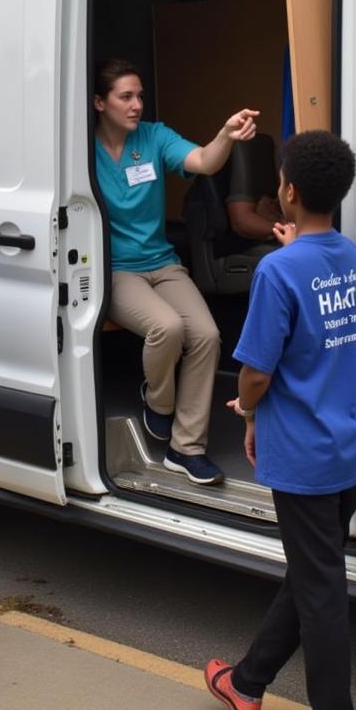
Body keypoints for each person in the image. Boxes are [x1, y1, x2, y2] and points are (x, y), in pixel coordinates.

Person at [203, 131, 356, 710]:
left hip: (304, 456)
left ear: (289, 191)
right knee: (313, 573)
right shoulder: (350, 256)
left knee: (321, 590)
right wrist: (295, 250)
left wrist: (246, 410)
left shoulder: (277, 271)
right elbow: (322, 302)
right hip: (351, 447)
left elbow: (256, 372)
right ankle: (246, 685)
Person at [94, 58, 259, 486]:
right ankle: (158, 400)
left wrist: (225, 134)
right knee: (166, 328)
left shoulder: (153, 137)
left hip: (162, 261)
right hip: (117, 268)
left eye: (140, 96)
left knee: (207, 335)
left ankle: (186, 449)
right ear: (100, 102)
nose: (136, 105)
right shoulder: (81, 148)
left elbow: (204, 160)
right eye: (125, 97)